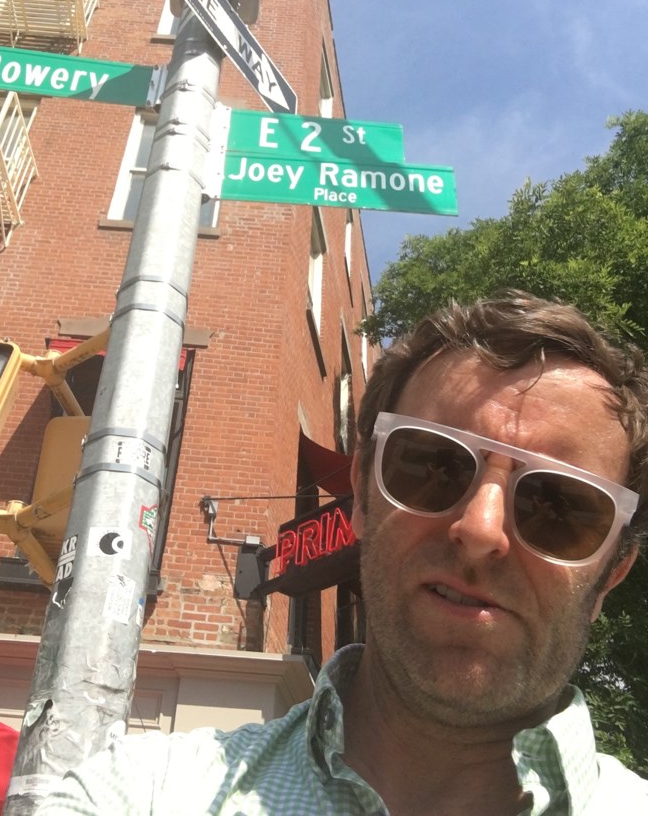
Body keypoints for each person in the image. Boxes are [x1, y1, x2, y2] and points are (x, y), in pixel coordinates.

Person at [39, 292, 648, 814]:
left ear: (612, 573)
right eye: (430, 465)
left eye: (562, 505)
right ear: (360, 496)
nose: (481, 528)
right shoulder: (144, 793)